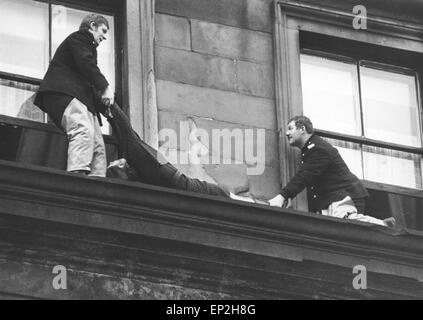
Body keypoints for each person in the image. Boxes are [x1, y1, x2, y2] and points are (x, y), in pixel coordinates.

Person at [104, 102, 265, 204]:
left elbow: (129, 137)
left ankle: (258, 205)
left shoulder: (146, 176)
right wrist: (111, 104)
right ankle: (260, 206)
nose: (120, 159)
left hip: (199, 195)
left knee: (233, 200)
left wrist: (111, 116)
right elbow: (130, 137)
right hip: (205, 193)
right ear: (128, 169)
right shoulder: (147, 167)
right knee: (234, 200)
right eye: (118, 163)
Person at [268, 115, 395, 227]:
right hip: (332, 200)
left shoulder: (318, 149)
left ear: (302, 129)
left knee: (346, 222)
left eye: (290, 128)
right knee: (335, 226)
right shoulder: (310, 149)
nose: (286, 133)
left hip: (343, 196)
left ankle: (382, 225)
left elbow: (305, 175)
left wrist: (283, 196)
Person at [34, 13, 114, 177]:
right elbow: (86, 64)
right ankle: (77, 175)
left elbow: (88, 83)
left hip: (80, 98)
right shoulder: (79, 38)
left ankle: (97, 179)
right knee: (82, 129)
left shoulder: (88, 49)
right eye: (103, 31)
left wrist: (103, 107)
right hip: (64, 93)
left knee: (98, 144)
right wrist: (105, 87)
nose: (105, 37)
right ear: (92, 26)